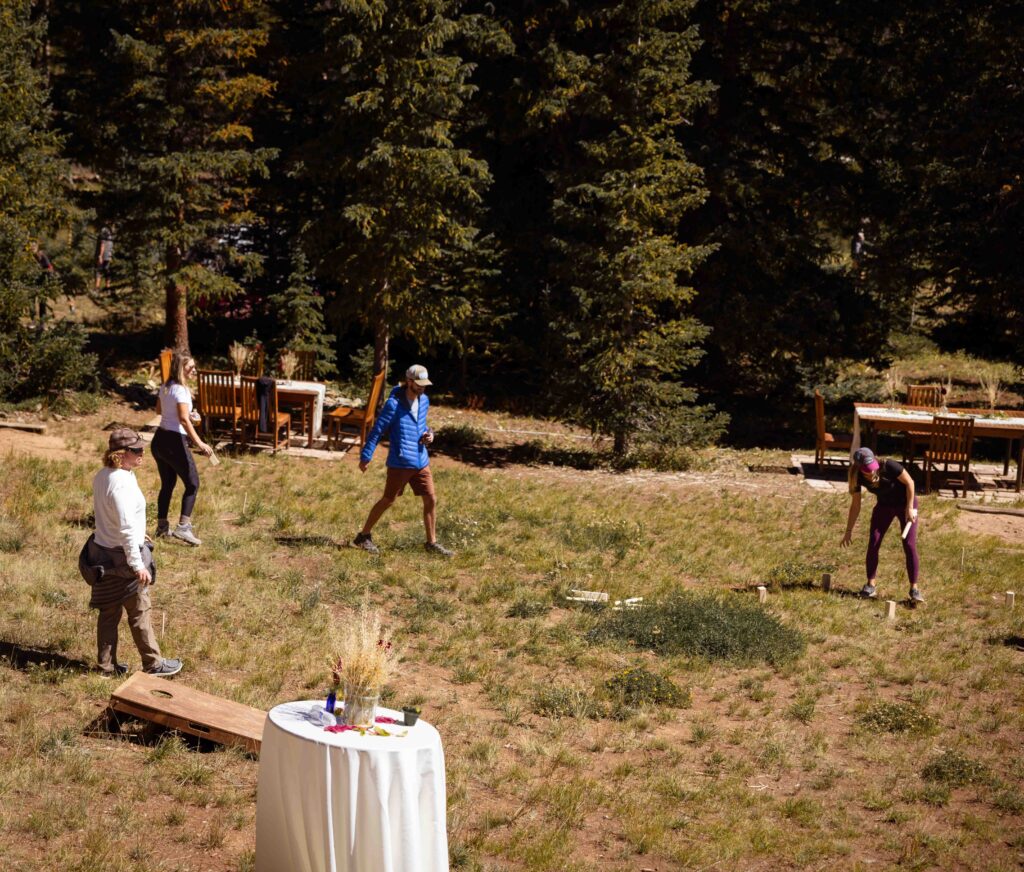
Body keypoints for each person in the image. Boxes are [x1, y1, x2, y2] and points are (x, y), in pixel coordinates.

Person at [80, 428, 182, 676]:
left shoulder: (105, 475)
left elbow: (113, 519)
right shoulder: (120, 484)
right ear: (121, 454)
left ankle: (106, 667)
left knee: (108, 612)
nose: (142, 454)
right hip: (122, 557)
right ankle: (153, 664)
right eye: (136, 450)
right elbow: (124, 526)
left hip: (103, 551)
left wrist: (140, 532)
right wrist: (137, 565)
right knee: (139, 611)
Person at [353, 364, 453, 557]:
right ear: (409, 382)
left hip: (421, 460)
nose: (423, 387)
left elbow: (423, 425)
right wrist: (366, 456)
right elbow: (377, 431)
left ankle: (431, 543)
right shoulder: (394, 405)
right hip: (400, 462)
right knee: (388, 500)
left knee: (431, 498)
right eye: (419, 384)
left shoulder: (424, 400)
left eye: (425, 384)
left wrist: (430, 434)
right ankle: (363, 536)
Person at [841, 446, 924, 604]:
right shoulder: (856, 476)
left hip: (906, 504)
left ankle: (914, 589)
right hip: (884, 506)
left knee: (909, 544)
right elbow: (856, 506)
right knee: (874, 541)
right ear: (858, 467)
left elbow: (910, 483)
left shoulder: (889, 465)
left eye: (872, 468)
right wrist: (848, 531)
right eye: (867, 470)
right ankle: (870, 585)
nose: (871, 472)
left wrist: (910, 507)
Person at [152, 352, 213, 545]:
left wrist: (186, 414)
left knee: (168, 484)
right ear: (180, 368)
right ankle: (183, 528)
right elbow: (184, 420)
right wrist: (200, 443)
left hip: (159, 440)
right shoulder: (181, 390)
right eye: (190, 368)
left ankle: (162, 528)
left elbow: (159, 411)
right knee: (193, 483)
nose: (194, 370)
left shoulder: (165, 386)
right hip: (173, 441)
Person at [95, 225, 114, 291]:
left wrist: (100, 255)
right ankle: (108, 287)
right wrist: (110, 255)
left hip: (103, 255)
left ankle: (97, 288)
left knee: (98, 271)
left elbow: (102, 244)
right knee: (107, 270)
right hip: (109, 254)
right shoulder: (110, 232)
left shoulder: (104, 230)